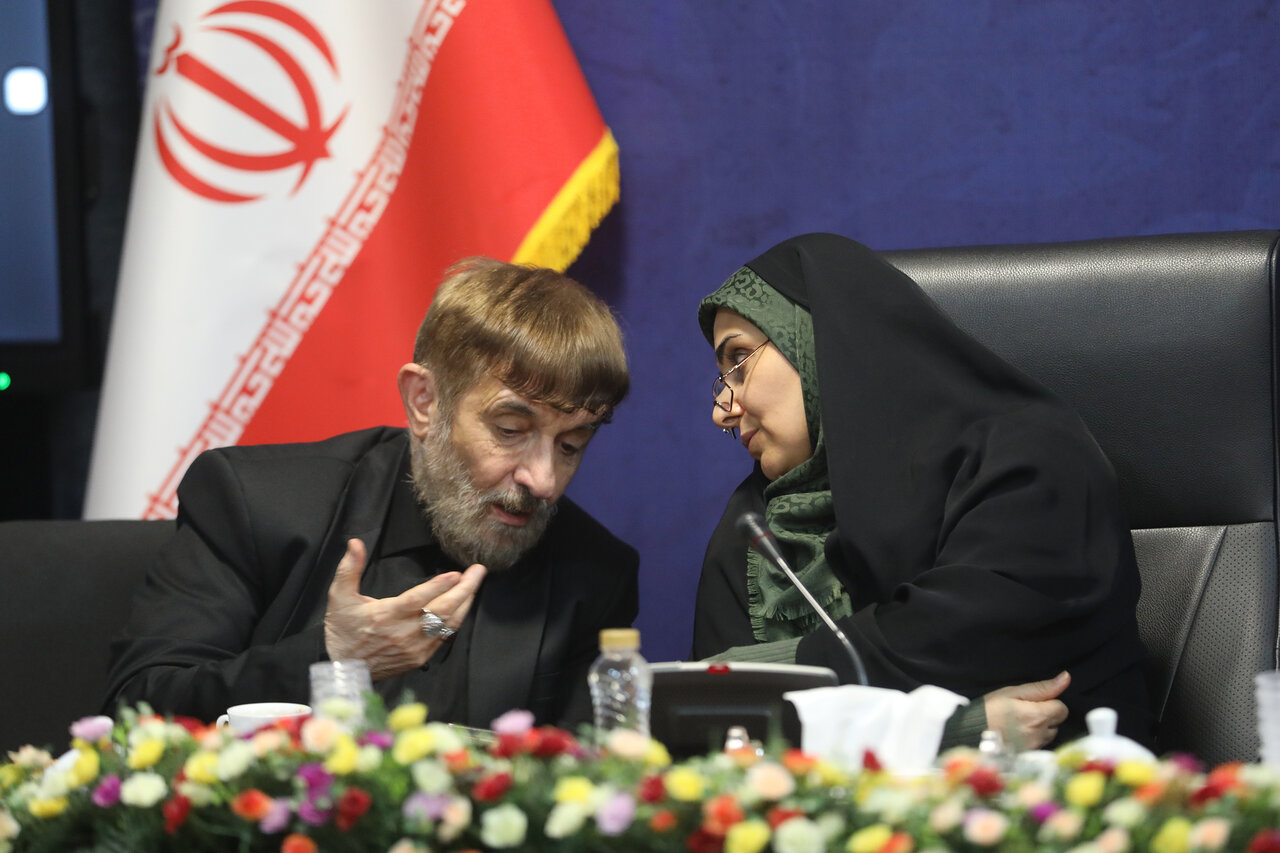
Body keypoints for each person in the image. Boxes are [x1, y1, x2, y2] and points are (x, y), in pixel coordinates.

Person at [104, 258, 638, 729]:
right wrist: (333, 656)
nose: (543, 481)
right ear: (425, 402)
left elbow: (588, 775)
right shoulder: (254, 502)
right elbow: (139, 707)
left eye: (570, 445)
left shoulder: (593, 573)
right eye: (510, 430)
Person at [691, 233, 1153, 749]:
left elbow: (966, 638)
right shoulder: (754, 524)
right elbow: (709, 722)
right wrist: (955, 728)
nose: (723, 412)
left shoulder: (1030, 454)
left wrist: (750, 672)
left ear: (823, 339)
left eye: (738, 361)